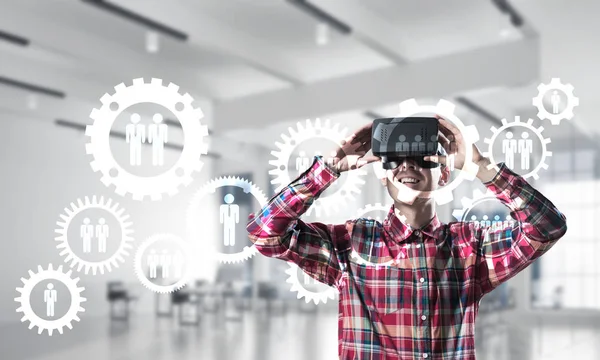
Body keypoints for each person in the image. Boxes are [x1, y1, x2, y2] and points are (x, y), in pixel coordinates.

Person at [246, 116, 567, 360]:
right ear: (383, 173)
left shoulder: (473, 247)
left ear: (442, 174)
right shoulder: (349, 244)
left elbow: (547, 228)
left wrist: (483, 168)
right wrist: (327, 170)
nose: (407, 166)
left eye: (421, 158)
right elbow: (265, 234)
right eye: (396, 160)